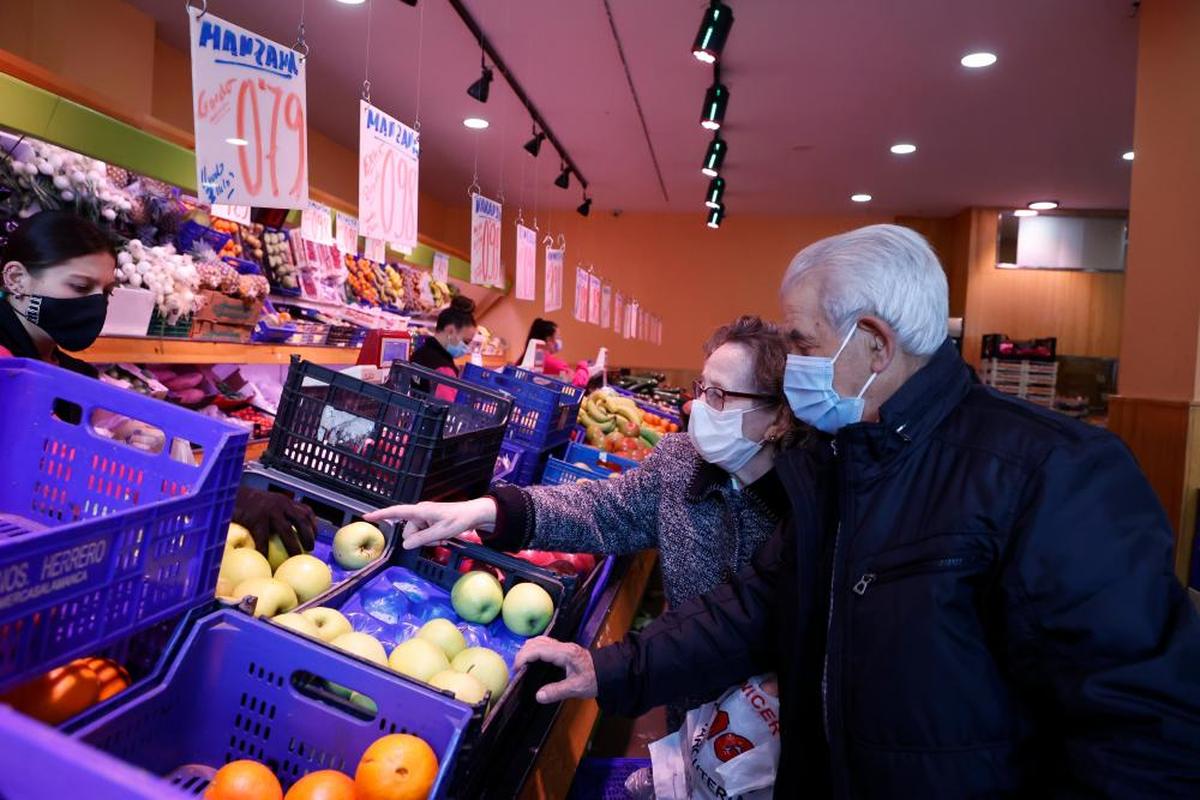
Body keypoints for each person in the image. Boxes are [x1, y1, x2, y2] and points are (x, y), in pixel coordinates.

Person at [513, 224, 1200, 797]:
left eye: (804, 344)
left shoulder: (1051, 472)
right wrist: (612, 668)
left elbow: (1140, 729)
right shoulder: (839, 463)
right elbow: (756, 604)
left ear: (873, 342)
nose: (793, 366)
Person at [366, 315, 799, 723]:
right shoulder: (680, 463)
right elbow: (601, 508)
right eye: (701, 390)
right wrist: (488, 510)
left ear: (778, 417)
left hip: (778, 726)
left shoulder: (806, 507)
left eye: (720, 396)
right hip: (687, 702)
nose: (697, 409)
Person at [0, 210, 315, 560]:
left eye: (104, 293)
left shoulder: (68, 370)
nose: (93, 304)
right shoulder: (9, 371)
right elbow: (55, 460)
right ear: (16, 279)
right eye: (79, 287)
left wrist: (135, 437)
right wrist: (223, 497)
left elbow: (109, 427)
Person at [410, 295, 476, 378]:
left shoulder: (419, 353)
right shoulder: (445, 370)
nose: (466, 348)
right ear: (450, 331)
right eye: (466, 342)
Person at [523, 317, 598, 387]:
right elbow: (577, 382)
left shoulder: (524, 358)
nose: (560, 340)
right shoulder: (552, 363)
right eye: (558, 337)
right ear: (549, 340)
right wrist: (583, 366)